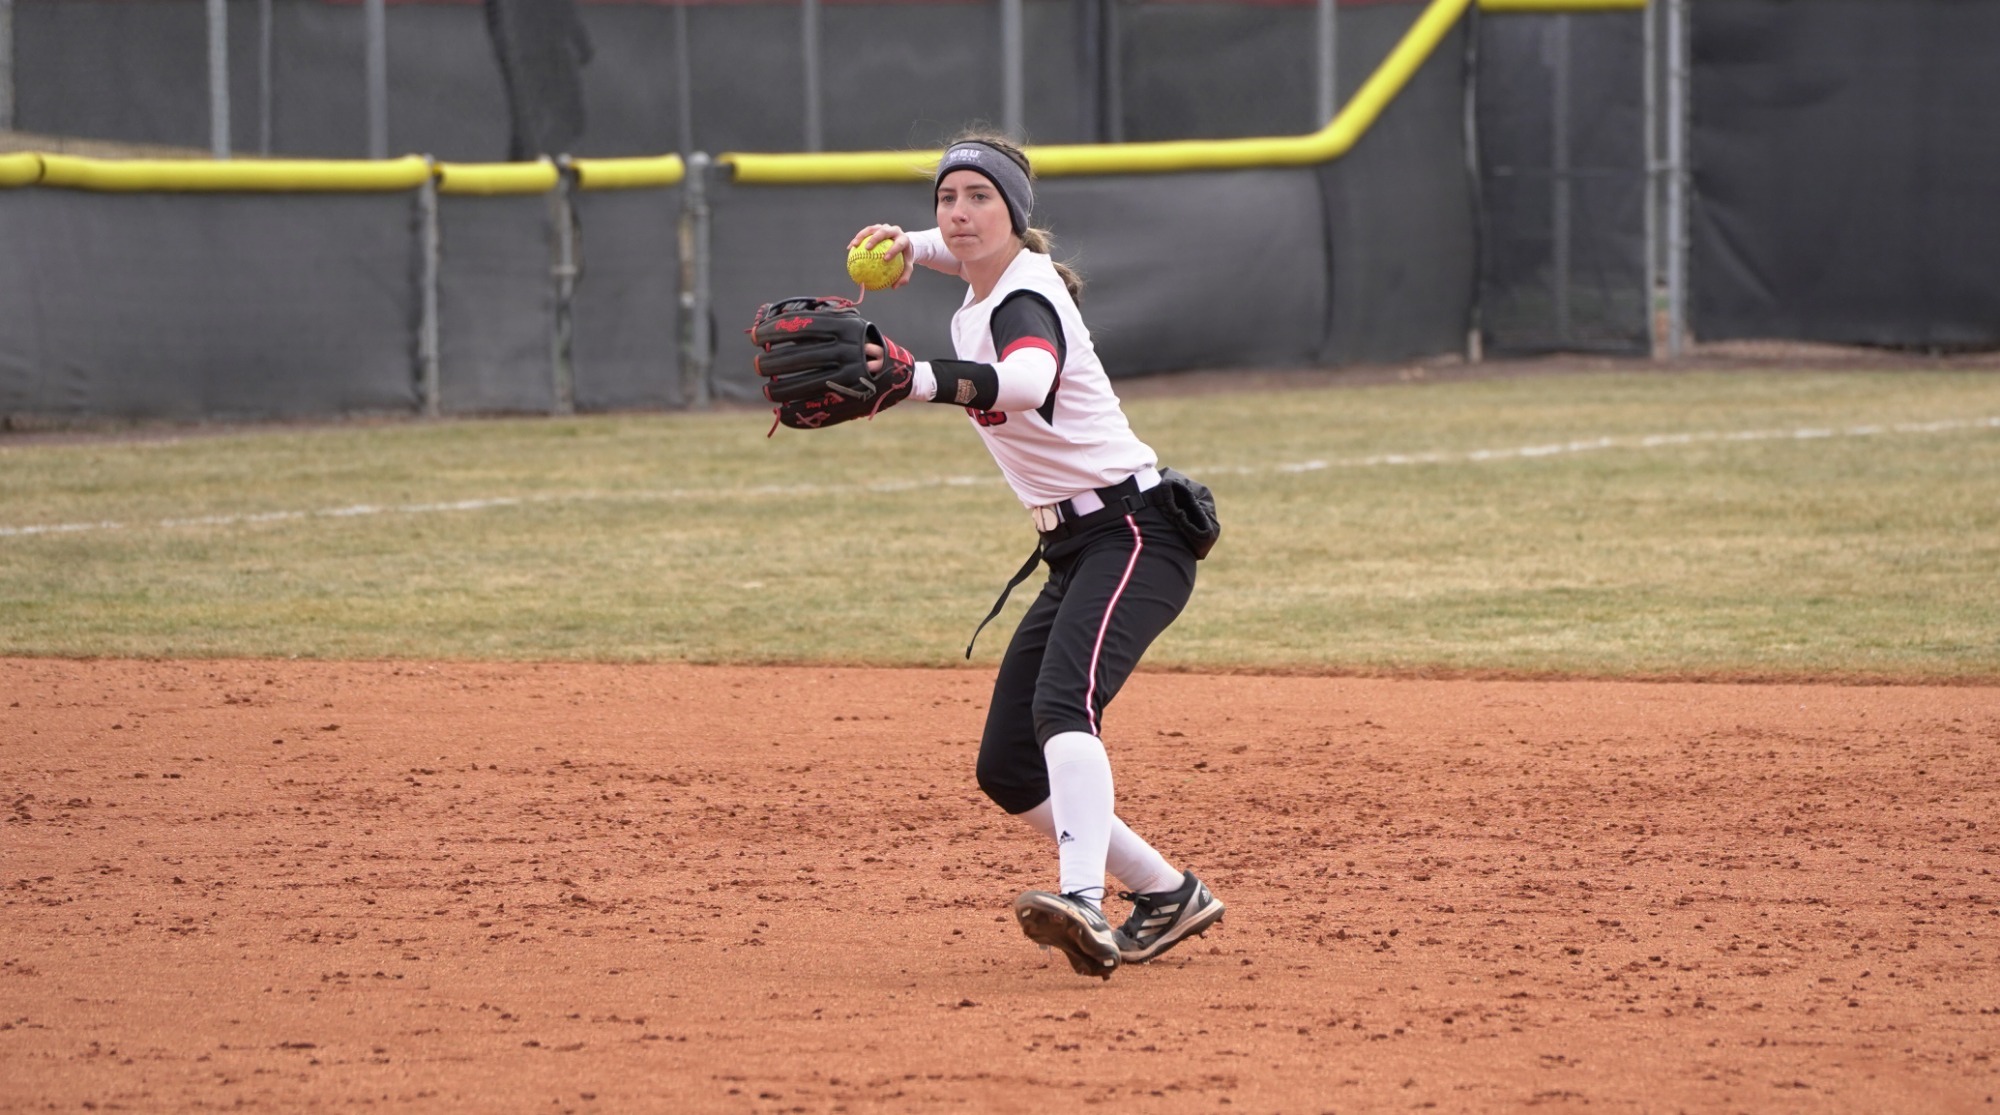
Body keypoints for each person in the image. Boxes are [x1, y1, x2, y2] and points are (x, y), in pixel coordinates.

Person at [847, 134, 1224, 979]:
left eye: (980, 197)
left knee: (1063, 709)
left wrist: (913, 378)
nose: (959, 213)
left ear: (1016, 214)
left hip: (1137, 532)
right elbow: (957, 249)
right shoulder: (980, 290)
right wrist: (908, 247)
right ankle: (1166, 894)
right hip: (1076, 544)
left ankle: (1084, 900)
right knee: (1010, 767)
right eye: (948, 198)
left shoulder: (1026, 296)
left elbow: (1022, 381)